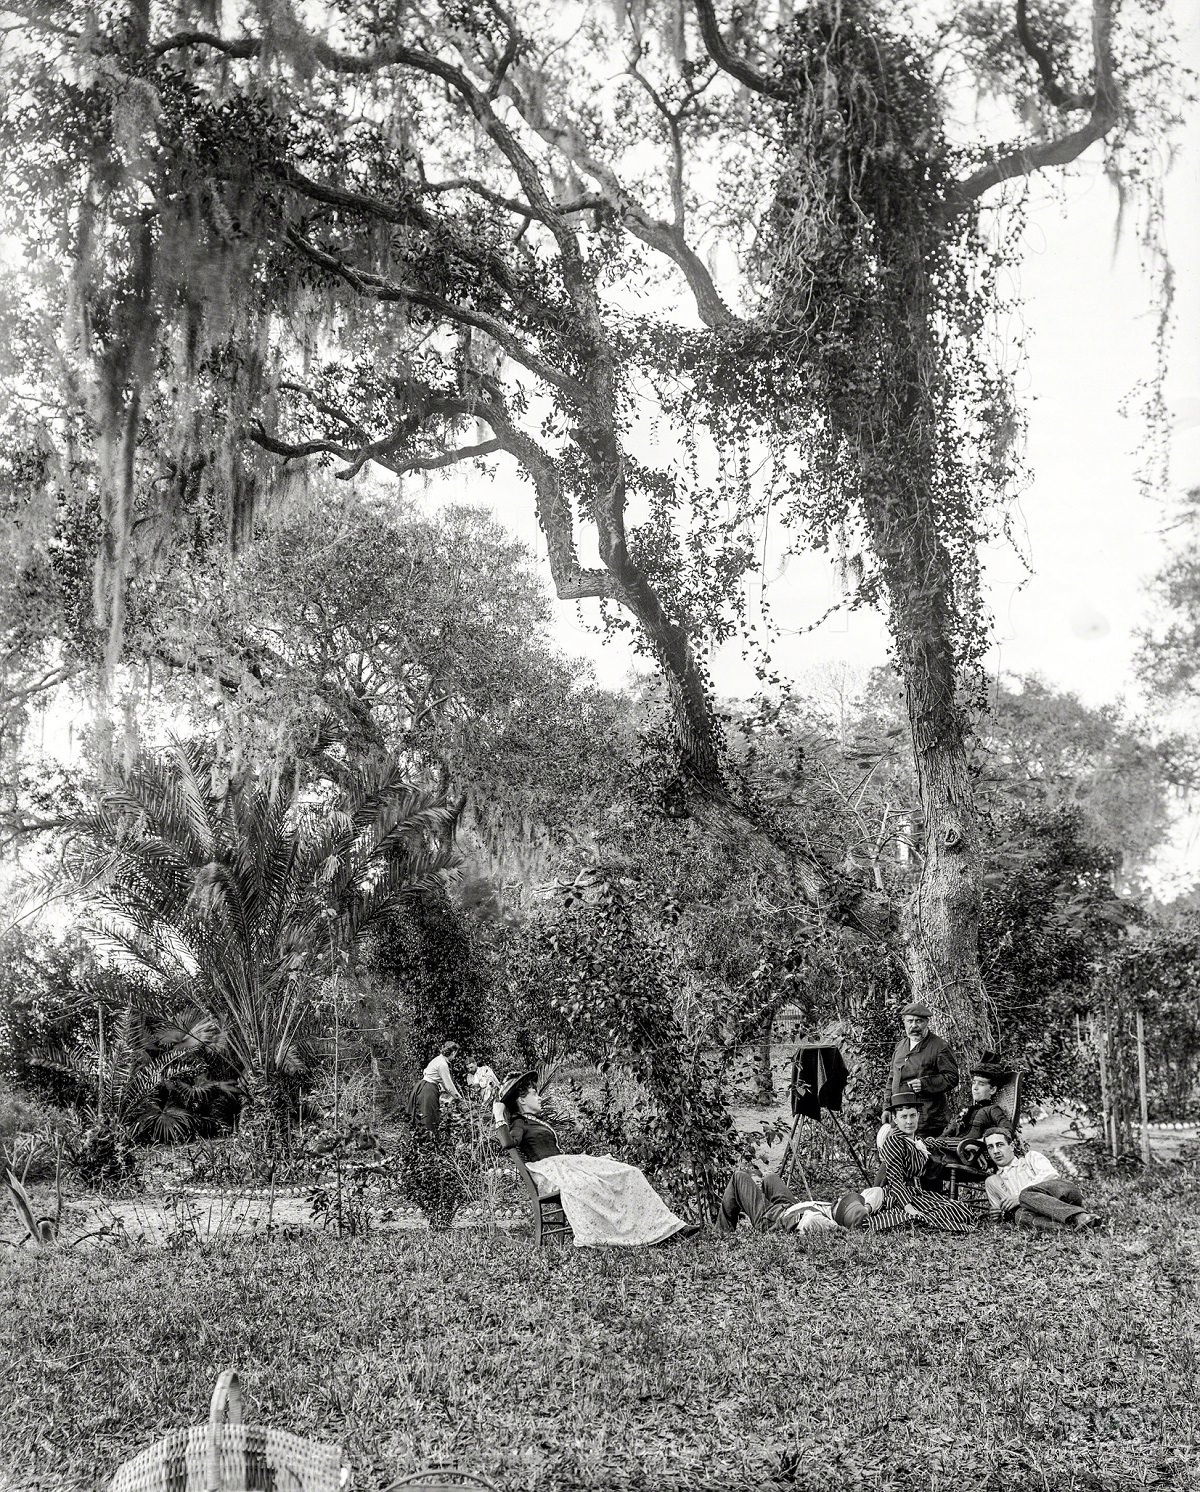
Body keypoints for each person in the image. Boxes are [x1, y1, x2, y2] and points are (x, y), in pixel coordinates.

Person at [494, 1070, 697, 1247]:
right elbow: (509, 1144)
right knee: (590, 1184)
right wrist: (498, 1116)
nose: (539, 1097)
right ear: (521, 1100)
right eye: (534, 1093)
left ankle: (666, 1227)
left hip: (564, 1165)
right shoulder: (519, 1122)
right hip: (552, 1173)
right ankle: (635, 1233)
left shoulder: (533, 1120)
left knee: (628, 1172)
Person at [867, 1092, 978, 1235]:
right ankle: (909, 1219)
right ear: (895, 1119)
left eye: (912, 1115)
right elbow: (895, 1180)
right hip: (899, 1196)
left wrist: (964, 1145)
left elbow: (936, 1142)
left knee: (961, 1210)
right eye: (904, 1117)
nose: (909, 1121)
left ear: (918, 1116)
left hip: (917, 1193)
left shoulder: (915, 1140)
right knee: (941, 1214)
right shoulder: (894, 1141)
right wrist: (908, 1207)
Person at [717, 1162, 887, 1236]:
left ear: (841, 1211)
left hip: (772, 1219)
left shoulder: (822, 1221)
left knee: (739, 1177)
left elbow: (809, 1222)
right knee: (771, 1178)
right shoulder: (834, 1209)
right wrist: (867, 1209)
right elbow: (876, 1192)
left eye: (843, 1201)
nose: (841, 1197)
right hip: (790, 1206)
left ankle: (722, 1232)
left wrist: (840, 1230)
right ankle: (757, 1200)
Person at [982, 1128, 1102, 1231]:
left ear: (1012, 1146)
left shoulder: (1030, 1158)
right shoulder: (996, 1180)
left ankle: (1080, 1217)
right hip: (1042, 1211)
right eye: (990, 1147)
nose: (996, 1151)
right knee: (1020, 1216)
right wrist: (998, 1215)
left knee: (1024, 1196)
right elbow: (1002, 1214)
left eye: (999, 1145)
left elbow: (1051, 1175)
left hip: (1063, 1194)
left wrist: (1019, 1197)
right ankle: (1069, 1227)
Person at [923, 1054, 1015, 1172]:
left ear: (992, 1090)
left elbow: (1007, 1131)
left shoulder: (992, 1110)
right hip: (952, 1149)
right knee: (920, 1150)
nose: (975, 1088)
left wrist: (980, 1144)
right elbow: (945, 1135)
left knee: (923, 1156)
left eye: (981, 1084)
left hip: (967, 1157)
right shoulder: (968, 1111)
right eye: (974, 1083)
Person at [888, 1002, 959, 1137]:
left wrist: (925, 1084)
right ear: (904, 1022)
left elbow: (952, 1077)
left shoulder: (940, 1047)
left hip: (928, 1119)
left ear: (927, 1022)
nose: (914, 1025)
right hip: (902, 1118)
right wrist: (887, 1107)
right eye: (910, 1021)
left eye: (919, 1021)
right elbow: (892, 1077)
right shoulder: (900, 1046)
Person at [408, 1038, 465, 1135]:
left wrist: (454, 1095)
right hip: (427, 1090)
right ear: (453, 1052)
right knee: (428, 1118)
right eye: (455, 1054)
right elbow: (449, 1085)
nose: (455, 1057)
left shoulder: (438, 1059)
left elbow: (444, 1084)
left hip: (421, 1087)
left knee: (420, 1116)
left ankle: (419, 1141)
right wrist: (459, 1098)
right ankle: (427, 1143)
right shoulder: (443, 1064)